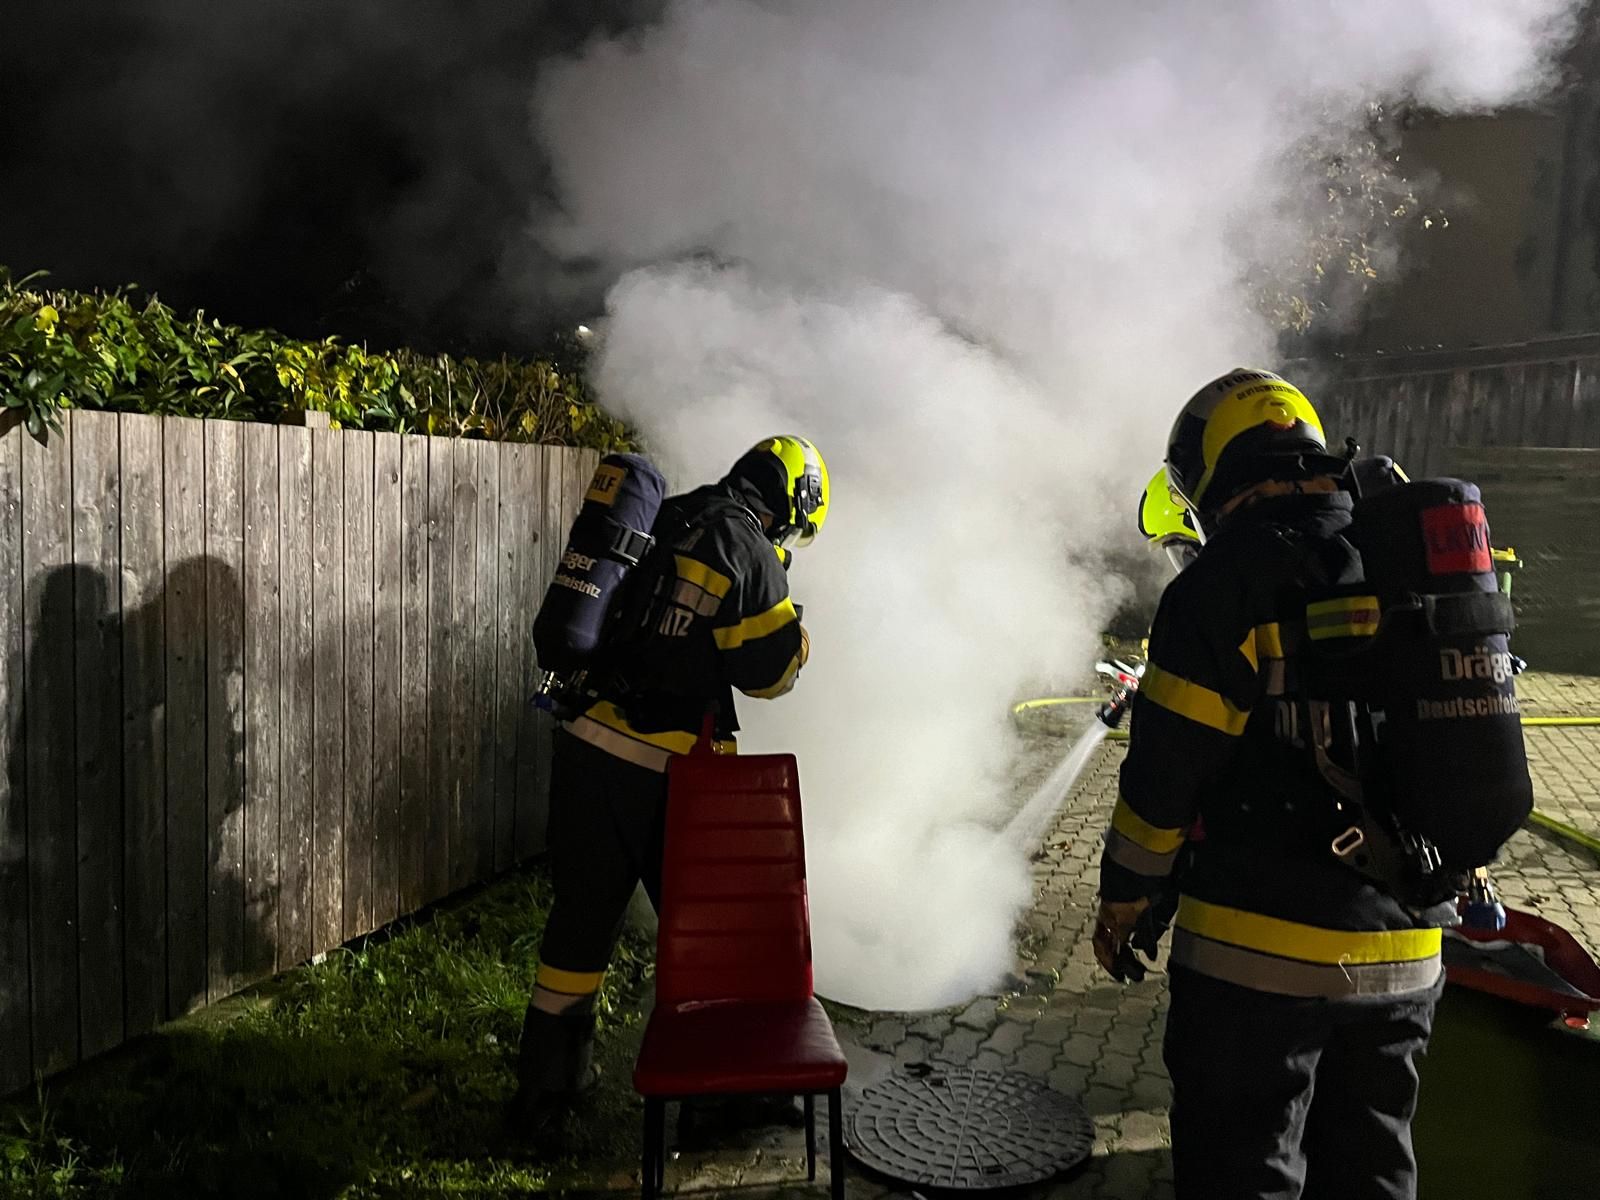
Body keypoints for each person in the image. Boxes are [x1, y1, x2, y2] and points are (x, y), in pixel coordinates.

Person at [1095, 370, 1449, 1200]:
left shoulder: (1224, 583)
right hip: (1407, 950)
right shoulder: (1396, 552)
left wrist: (1126, 895)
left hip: (1257, 957)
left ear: (1215, 473)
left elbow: (1164, 777)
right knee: (1371, 1170)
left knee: (1244, 1172)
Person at [507, 435, 829, 1136]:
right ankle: (717, 1101)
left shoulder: (670, 512)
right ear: (794, 502)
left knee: (581, 922)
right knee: (709, 935)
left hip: (586, 746)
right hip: (672, 773)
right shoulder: (747, 548)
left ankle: (545, 1095)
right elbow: (769, 675)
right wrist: (799, 636)